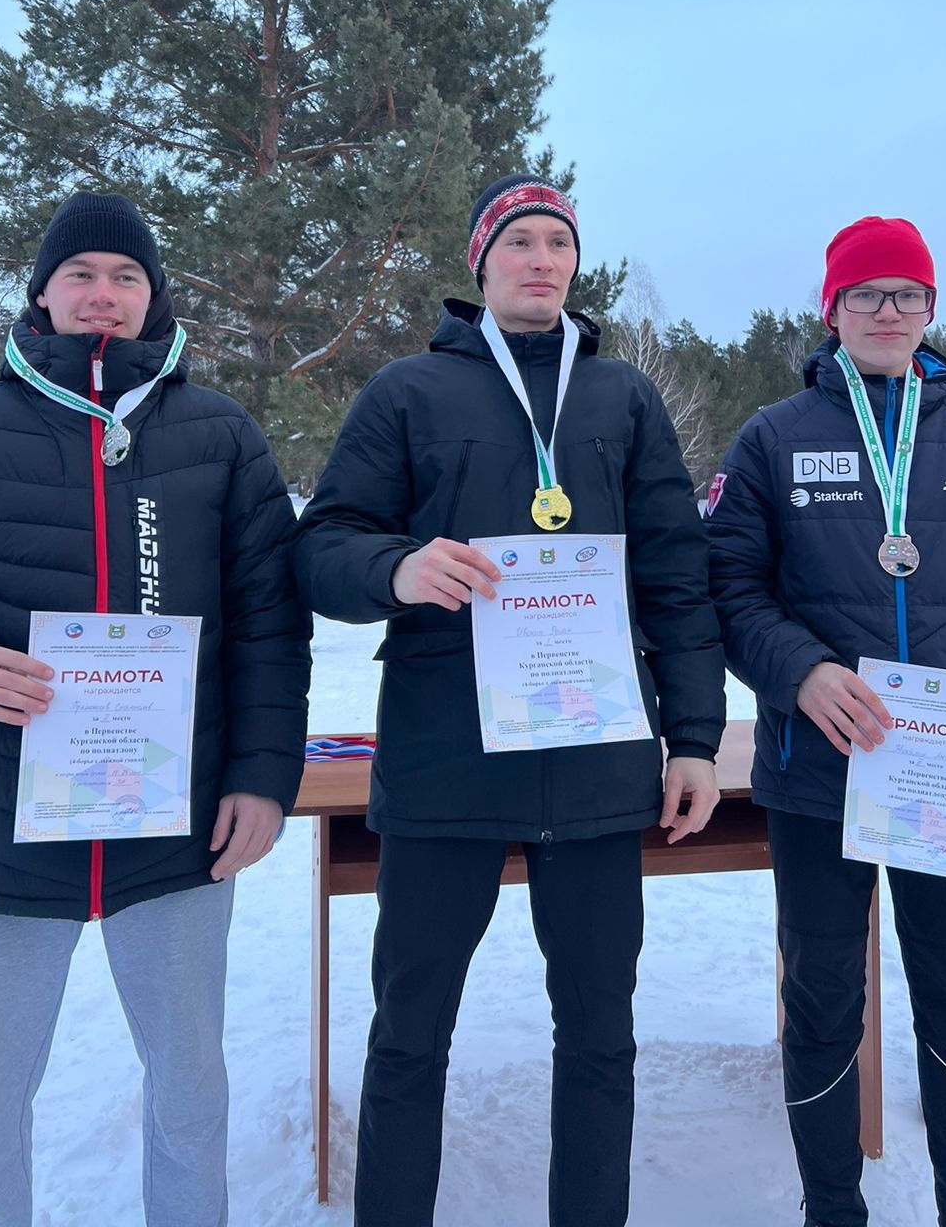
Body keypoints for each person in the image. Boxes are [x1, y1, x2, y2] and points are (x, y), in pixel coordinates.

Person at [298, 173, 725, 1227]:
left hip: (595, 763)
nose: (543, 259)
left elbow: (676, 572)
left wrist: (698, 736)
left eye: (559, 243)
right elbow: (322, 547)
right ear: (481, 262)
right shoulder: (407, 391)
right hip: (446, 762)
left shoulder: (623, 397)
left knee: (599, 1033)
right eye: (520, 241)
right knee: (409, 1030)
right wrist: (398, 568)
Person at [0, 192, 308, 1227]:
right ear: (41, 292)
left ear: (152, 298)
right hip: (5, 824)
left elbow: (269, 622)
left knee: (189, 1092)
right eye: (82, 273)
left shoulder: (222, 435)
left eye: (126, 277)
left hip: (174, 831)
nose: (103, 293)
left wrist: (264, 778)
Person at [704, 215, 946, 1227]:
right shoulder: (774, 437)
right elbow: (731, 591)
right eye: (867, 294)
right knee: (825, 1002)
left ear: (931, 309)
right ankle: (832, 1209)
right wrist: (802, 671)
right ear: (830, 310)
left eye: (907, 294)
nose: (889, 310)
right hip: (818, 765)